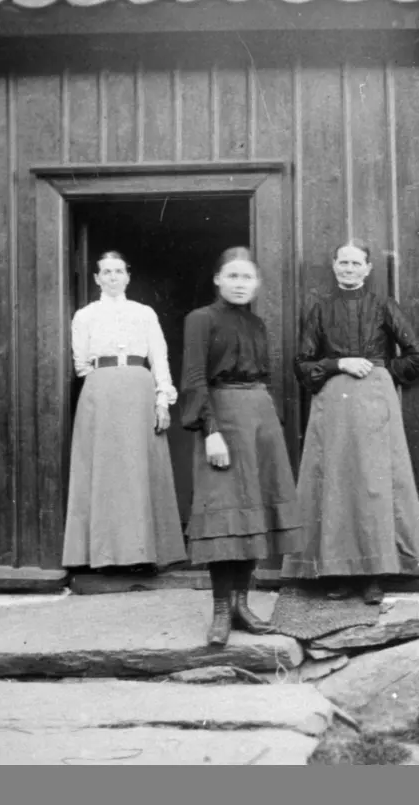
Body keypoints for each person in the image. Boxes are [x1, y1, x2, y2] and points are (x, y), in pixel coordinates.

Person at [279, 242, 419, 604]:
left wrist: (380, 372)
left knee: (374, 483)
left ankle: (373, 576)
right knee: (337, 483)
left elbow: (417, 358)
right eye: (342, 263)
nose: (348, 269)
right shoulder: (320, 310)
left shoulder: (383, 307)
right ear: (334, 267)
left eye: (356, 263)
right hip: (334, 406)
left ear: (367, 269)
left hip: (374, 404)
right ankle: (339, 572)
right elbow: (302, 364)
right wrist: (339, 365)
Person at [179, 247, 302, 646]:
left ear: (257, 284)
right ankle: (219, 611)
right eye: (231, 276)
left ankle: (241, 606)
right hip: (223, 417)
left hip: (259, 419)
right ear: (217, 279)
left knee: (255, 511)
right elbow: (196, 378)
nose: (239, 284)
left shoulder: (257, 324)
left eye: (247, 278)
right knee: (224, 515)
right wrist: (210, 430)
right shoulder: (201, 319)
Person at [62, 251, 187, 574]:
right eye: (106, 272)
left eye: (119, 271)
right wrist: (102, 390)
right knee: (105, 472)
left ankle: (143, 553)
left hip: (139, 389)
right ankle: (104, 556)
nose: (113, 277)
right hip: (100, 391)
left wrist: (162, 400)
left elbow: (159, 357)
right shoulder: (85, 315)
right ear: (97, 278)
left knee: (138, 470)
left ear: (128, 276)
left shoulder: (143, 313)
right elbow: (81, 364)